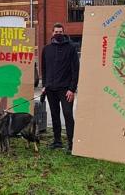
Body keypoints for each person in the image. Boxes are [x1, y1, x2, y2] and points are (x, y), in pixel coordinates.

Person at [41, 23, 80, 153]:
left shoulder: (71, 48)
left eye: (60, 31)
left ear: (64, 32)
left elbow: (76, 70)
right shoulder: (46, 49)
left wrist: (72, 89)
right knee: (54, 115)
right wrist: (44, 86)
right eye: (56, 31)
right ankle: (57, 141)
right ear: (52, 33)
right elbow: (44, 69)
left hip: (66, 89)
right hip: (51, 89)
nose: (58, 33)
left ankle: (72, 143)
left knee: (68, 114)